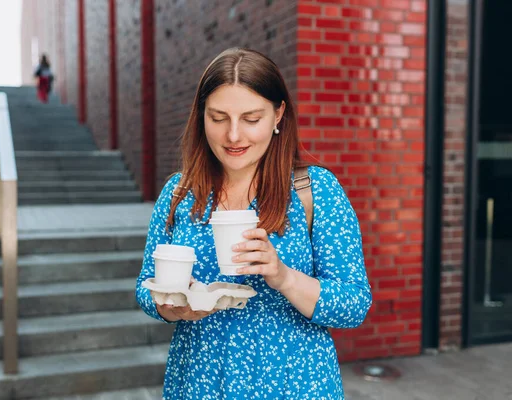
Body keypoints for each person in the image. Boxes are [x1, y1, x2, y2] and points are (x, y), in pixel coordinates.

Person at [135, 47, 372, 399]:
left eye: (250, 118)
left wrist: (284, 276)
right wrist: (168, 306)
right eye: (218, 118)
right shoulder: (179, 192)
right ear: (201, 116)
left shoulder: (315, 191)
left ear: (278, 115)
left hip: (294, 386)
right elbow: (144, 286)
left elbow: (354, 304)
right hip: (200, 383)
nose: (233, 136)